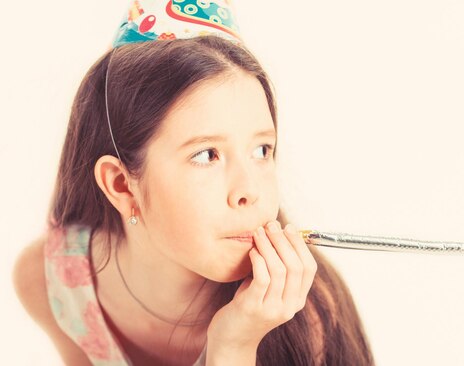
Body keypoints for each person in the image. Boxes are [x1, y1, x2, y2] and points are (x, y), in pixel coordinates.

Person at [12, 1, 375, 365]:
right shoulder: (53, 282)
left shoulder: (306, 314)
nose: (250, 190)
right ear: (122, 185)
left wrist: (235, 345)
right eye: (207, 155)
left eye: (262, 149)